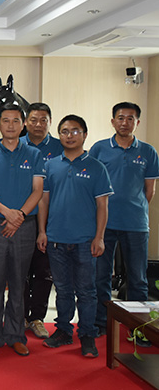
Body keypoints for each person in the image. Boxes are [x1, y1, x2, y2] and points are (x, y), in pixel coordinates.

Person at [37, 115, 113, 358]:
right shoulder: (50, 166)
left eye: (75, 131)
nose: (69, 136)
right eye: (65, 131)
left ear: (85, 134)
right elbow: (43, 201)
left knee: (87, 291)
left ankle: (87, 334)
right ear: (59, 135)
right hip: (56, 239)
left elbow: (102, 206)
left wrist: (99, 237)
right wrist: (42, 231)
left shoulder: (97, 167)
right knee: (62, 289)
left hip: (85, 241)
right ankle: (63, 331)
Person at [0, 103, 44, 357]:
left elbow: (37, 190)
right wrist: (8, 213)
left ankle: (15, 335)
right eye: (5, 120)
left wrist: (20, 216)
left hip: (25, 226)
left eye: (16, 121)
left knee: (18, 282)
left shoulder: (34, 154)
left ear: (23, 124)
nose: (11, 125)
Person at [91, 102, 158, 338]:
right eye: (120, 118)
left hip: (136, 225)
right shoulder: (99, 149)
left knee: (138, 278)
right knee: (100, 277)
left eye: (130, 118)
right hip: (104, 225)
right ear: (113, 121)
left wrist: (134, 209)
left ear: (137, 122)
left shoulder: (148, 152)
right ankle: (101, 323)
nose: (125, 122)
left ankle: (138, 328)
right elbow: (92, 186)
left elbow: (149, 191)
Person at [20, 103, 64, 339]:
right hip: (22, 218)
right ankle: (20, 316)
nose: (38, 124)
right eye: (34, 120)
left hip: (51, 219)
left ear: (50, 122)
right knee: (19, 271)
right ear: (26, 122)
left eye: (43, 120)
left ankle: (37, 317)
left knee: (44, 271)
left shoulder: (60, 147)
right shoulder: (15, 145)